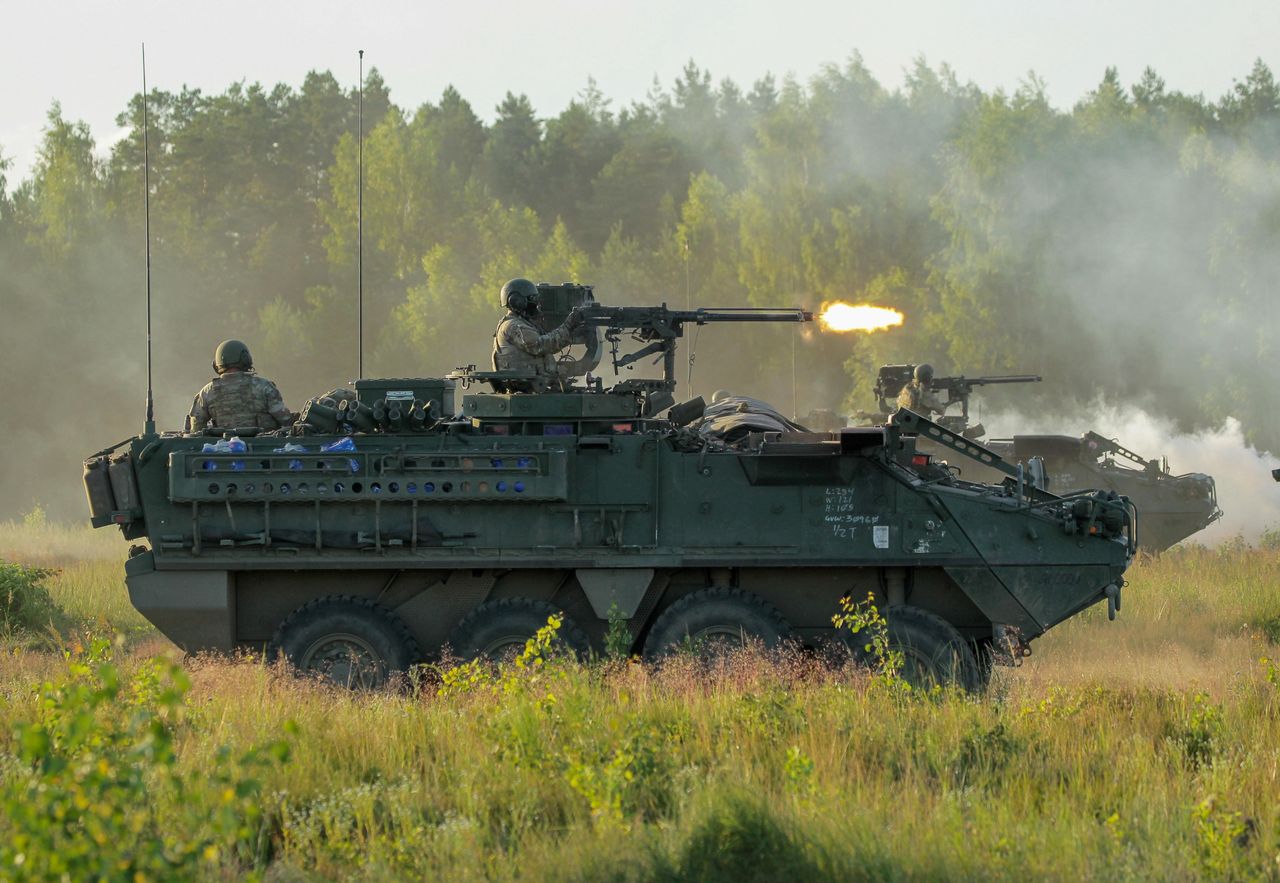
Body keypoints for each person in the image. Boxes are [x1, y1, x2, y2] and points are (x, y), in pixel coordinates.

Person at [491, 277, 585, 392]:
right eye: (531, 299)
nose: (535, 303)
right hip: (526, 386)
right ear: (517, 301)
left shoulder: (523, 323)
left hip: (533, 385)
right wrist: (569, 325)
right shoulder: (514, 326)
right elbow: (541, 346)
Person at [186, 339, 296, 432]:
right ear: (246, 359)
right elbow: (285, 420)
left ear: (217, 364)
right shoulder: (264, 387)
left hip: (222, 452)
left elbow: (196, 429)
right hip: (263, 451)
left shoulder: (206, 392)